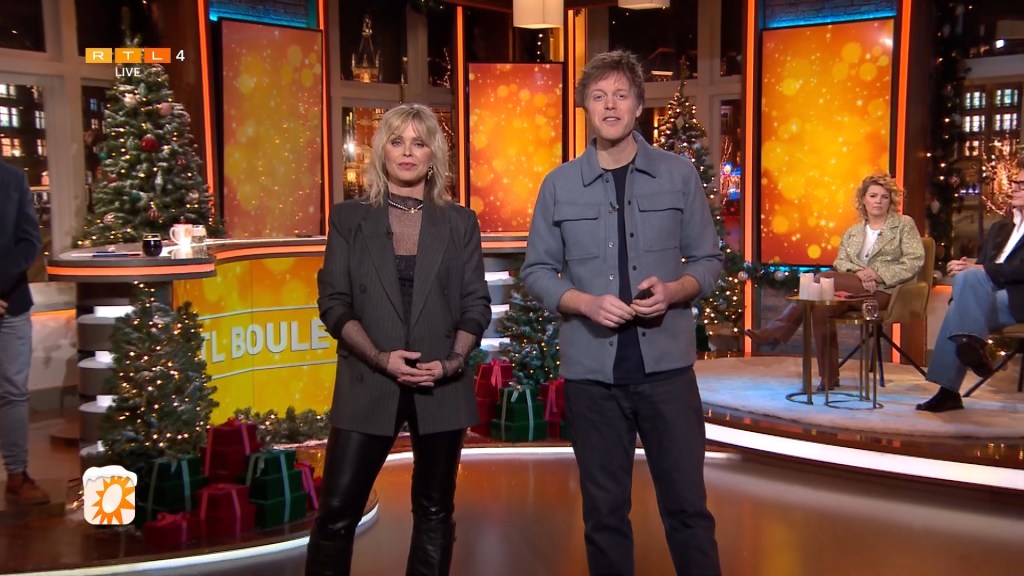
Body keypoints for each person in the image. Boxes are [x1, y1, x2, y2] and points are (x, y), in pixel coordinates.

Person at [521, 51, 722, 576]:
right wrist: (584, 302)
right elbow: (537, 270)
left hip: (668, 375)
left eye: (621, 95)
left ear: (637, 105)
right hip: (592, 381)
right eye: (598, 96)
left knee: (688, 511)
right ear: (586, 107)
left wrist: (674, 290)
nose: (610, 106)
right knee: (604, 517)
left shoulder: (678, 175)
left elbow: (708, 261)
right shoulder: (558, 185)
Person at [307, 104, 491, 576]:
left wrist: (451, 362)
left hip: (440, 383)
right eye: (397, 141)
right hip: (368, 380)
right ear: (381, 151)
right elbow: (335, 303)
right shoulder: (349, 218)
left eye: (419, 142)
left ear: (433, 156)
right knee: (337, 513)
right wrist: (379, 357)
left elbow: (476, 304)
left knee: (435, 511)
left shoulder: (460, 222)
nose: (407, 152)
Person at [745, 173, 925, 390]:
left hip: (885, 293)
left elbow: (914, 260)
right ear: (863, 199)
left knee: (822, 278)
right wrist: (861, 273)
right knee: (821, 308)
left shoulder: (904, 224)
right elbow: (841, 261)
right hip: (856, 289)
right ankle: (829, 378)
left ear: (891, 201)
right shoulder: (853, 232)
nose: (878, 201)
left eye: (884, 197)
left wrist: (878, 275)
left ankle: (776, 332)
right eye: (873, 196)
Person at [917, 159, 1024, 412]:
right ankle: (972, 344)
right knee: (966, 279)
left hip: (1018, 297)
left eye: (1022, 184)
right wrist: (969, 266)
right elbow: (985, 267)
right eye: (1015, 182)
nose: (1014, 187)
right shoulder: (1001, 228)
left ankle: (949, 390)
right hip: (988, 293)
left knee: (959, 307)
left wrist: (979, 270)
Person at [0, 160, 49, 506]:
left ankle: (17, 475)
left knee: (14, 393)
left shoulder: (13, 178)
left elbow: (30, 241)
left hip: (11, 302)